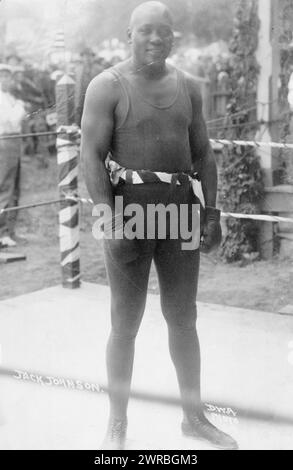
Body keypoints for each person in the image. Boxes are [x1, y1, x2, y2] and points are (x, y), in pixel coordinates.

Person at [81, 1, 238, 450]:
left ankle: (194, 417)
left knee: (183, 318)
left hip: (181, 213)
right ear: (129, 35)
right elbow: (90, 155)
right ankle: (117, 421)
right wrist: (109, 217)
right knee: (125, 322)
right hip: (128, 213)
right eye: (145, 30)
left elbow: (204, 153)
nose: (154, 38)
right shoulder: (106, 86)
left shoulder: (189, 86)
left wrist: (212, 213)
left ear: (174, 38)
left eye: (163, 31)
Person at [0, 63, 26, 248]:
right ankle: (2, 233)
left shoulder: (11, 98)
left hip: (16, 140)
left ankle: (10, 229)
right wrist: (19, 107)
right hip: (4, 141)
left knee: (15, 187)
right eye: (3, 76)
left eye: (9, 76)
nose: (7, 80)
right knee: (5, 186)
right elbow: (9, 119)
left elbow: (20, 118)